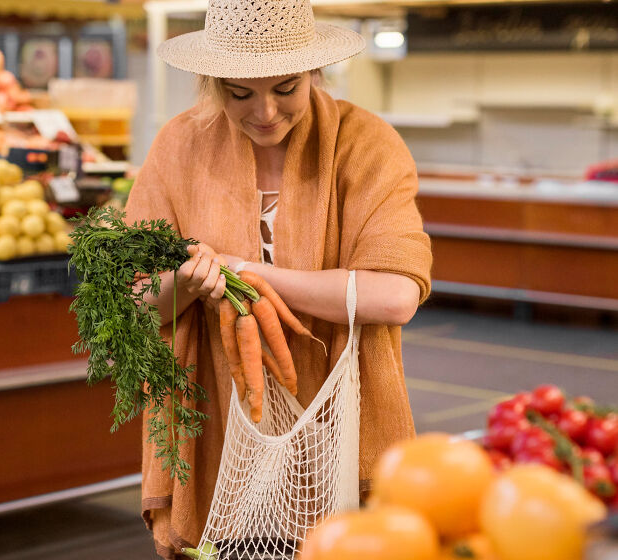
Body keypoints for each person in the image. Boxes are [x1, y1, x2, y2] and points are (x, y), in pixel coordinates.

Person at [124, 0, 432, 557]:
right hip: (213, 424)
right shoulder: (178, 146)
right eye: (239, 93)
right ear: (212, 82)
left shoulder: (365, 145)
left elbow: (395, 296)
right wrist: (189, 283)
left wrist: (247, 271)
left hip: (338, 426)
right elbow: (139, 297)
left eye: (286, 88)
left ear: (316, 72)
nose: (264, 111)